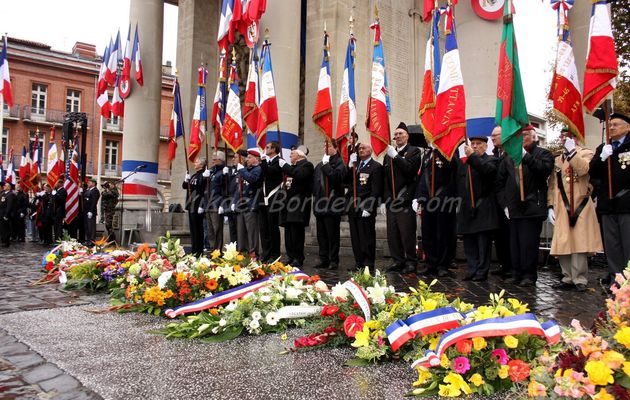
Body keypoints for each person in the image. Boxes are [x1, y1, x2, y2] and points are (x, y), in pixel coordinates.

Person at [496, 125, 554, 287]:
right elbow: (499, 184)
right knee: (514, 244)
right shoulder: (508, 157)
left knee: (528, 244)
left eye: (527, 135)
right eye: (520, 135)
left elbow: (544, 170)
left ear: (534, 136)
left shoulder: (543, 154)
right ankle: (516, 272)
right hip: (513, 208)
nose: (523, 138)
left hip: (532, 207)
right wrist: (504, 204)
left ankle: (529, 274)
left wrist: (526, 157)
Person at [547, 127, 603, 292]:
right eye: (562, 136)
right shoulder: (558, 158)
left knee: (579, 242)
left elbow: (583, 170)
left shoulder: (586, 153)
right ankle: (567, 277)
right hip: (561, 205)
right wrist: (550, 205)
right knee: (563, 242)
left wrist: (572, 151)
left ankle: (580, 278)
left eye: (567, 135)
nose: (563, 138)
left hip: (581, 203)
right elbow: (552, 184)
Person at [589, 112, 630, 284]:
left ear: (628, 127)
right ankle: (617, 282)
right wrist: (602, 158)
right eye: (610, 125)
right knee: (611, 247)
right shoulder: (604, 147)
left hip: (627, 204)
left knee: (628, 246)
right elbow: (593, 172)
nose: (611, 128)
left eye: (616, 124)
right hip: (607, 205)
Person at [456, 135, 499, 281]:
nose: (474, 146)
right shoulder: (465, 164)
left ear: (485, 146)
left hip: (483, 208)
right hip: (467, 208)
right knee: (469, 243)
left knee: (483, 244)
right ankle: (472, 269)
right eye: (472, 143)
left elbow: (486, 171)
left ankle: (482, 271)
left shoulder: (491, 160)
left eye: (478, 144)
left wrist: (472, 157)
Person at [382, 122, 423, 274]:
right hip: (391, 201)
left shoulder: (414, 151)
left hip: (405, 199)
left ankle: (411, 262)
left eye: (401, 133)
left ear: (407, 136)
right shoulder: (388, 155)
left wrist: (396, 156)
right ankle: (397, 261)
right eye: (396, 134)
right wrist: (384, 200)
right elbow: (385, 179)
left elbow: (410, 170)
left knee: (407, 234)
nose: (398, 136)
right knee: (393, 234)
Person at [417, 146, 458, 277]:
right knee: (428, 233)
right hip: (427, 200)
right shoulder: (428, 154)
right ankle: (431, 263)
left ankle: (443, 265)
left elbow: (454, 167)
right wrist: (419, 197)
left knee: (443, 234)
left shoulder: (448, 151)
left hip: (443, 199)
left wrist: (443, 150)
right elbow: (423, 178)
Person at [346, 142, 383, 271]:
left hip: (365, 207)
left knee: (366, 236)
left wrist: (369, 207)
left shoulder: (376, 167)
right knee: (355, 237)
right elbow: (346, 182)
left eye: (364, 148)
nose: (360, 150)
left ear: (370, 151)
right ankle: (359, 262)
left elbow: (376, 189)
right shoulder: (356, 166)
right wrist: (350, 165)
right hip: (353, 206)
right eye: (359, 148)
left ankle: (368, 263)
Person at [312, 140, 346, 269]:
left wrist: (326, 165)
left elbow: (336, 178)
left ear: (336, 148)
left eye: (329, 146)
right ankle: (323, 258)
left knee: (332, 235)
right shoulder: (320, 164)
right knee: (322, 235)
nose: (325, 148)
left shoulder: (339, 163)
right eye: (324, 146)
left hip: (332, 204)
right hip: (320, 204)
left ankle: (333, 260)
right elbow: (314, 184)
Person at [279, 147, 314, 268]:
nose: (290, 156)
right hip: (288, 204)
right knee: (288, 232)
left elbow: (300, 176)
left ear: (300, 156)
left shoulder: (307, 165)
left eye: (292, 153)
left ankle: (298, 258)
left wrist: (285, 166)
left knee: (297, 233)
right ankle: (290, 256)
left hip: (299, 204)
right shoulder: (292, 168)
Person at [489, 126, 513, 278]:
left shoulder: (510, 153)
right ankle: (503, 264)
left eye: (495, 136)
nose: (492, 138)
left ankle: (511, 266)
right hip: (496, 201)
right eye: (492, 136)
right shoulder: (495, 153)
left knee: (509, 235)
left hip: (507, 200)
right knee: (499, 236)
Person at [233, 149, 263, 258]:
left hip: (251, 203)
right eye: (247, 157)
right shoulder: (244, 170)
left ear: (256, 159)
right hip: (241, 204)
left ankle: (253, 253)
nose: (247, 159)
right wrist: (234, 202)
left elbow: (253, 180)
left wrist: (242, 171)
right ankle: (242, 253)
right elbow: (238, 188)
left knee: (251, 232)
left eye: (250, 157)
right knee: (241, 232)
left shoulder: (258, 169)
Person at [259, 141, 284, 263]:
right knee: (265, 227)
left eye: (268, 147)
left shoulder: (278, 161)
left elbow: (269, 173)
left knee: (273, 227)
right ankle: (267, 253)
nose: (266, 149)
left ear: (274, 149)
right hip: (264, 197)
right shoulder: (268, 162)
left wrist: (263, 161)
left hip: (274, 197)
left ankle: (275, 254)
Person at [183, 157, 207, 255]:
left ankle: (199, 250)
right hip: (191, 204)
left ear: (201, 165)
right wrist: (186, 180)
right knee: (193, 229)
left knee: (198, 229)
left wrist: (202, 204)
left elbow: (202, 190)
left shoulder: (202, 175)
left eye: (197, 162)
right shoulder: (194, 175)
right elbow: (185, 187)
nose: (194, 163)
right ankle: (194, 249)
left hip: (198, 205)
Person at [204, 151, 227, 251]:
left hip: (217, 203)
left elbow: (225, 190)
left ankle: (217, 251)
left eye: (215, 159)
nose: (212, 161)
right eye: (212, 159)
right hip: (208, 203)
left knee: (217, 229)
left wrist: (223, 204)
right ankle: (213, 249)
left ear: (221, 160)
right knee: (210, 230)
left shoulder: (223, 171)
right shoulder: (211, 171)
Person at [83, 178, 100, 245]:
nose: (88, 184)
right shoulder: (88, 190)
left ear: (93, 183)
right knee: (87, 226)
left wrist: (91, 211)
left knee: (91, 227)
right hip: (86, 211)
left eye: (89, 183)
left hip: (91, 211)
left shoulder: (95, 191)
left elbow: (94, 202)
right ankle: (88, 240)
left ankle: (92, 241)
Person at [0, 182, 16, 247]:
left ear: (9, 187)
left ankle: (6, 242)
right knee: (2, 228)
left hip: (5, 214)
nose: (4, 186)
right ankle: (3, 240)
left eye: (5, 186)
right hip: (1, 214)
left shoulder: (10, 194)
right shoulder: (3, 193)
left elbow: (9, 206)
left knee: (6, 228)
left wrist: (6, 215)